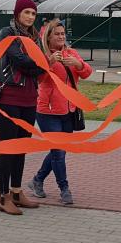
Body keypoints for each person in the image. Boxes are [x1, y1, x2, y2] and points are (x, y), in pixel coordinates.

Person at [26, 19, 92, 205]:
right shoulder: (43, 54)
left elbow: (87, 73)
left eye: (63, 34)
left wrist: (78, 65)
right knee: (58, 151)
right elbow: (38, 78)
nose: (61, 37)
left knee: (59, 151)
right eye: (57, 34)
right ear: (49, 37)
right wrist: (48, 62)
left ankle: (37, 180)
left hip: (69, 110)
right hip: (48, 111)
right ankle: (64, 189)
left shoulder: (71, 53)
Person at [0, 0, 44, 215]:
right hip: (9, 97)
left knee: (22, 147)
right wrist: (40, 64)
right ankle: (3, 197)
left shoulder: (35, 37)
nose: (30, 17)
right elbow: (18, 60)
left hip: (29, 98)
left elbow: (40, 69)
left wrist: (40, 65)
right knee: (8, 148)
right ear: (17, 14)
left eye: (33, 14)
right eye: (26, 13)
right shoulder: (8, 33)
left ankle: (16, 192)